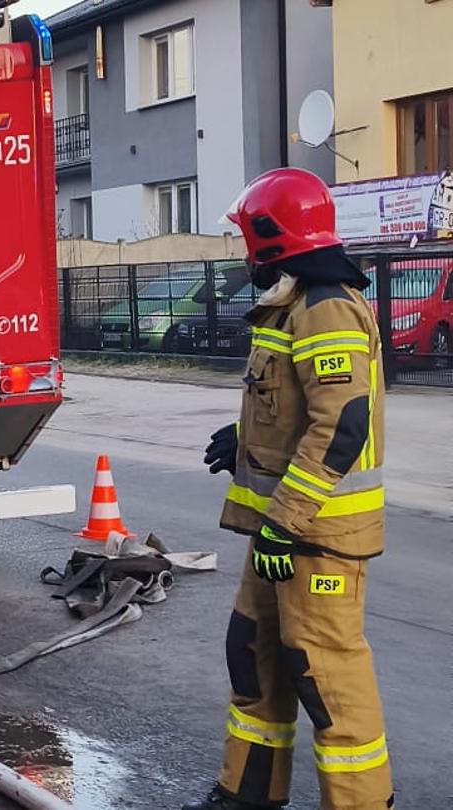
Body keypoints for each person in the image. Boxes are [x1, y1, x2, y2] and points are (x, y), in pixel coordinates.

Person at [186, 168, 390, 810]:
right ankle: (247, 794)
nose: (243, 249)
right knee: (255, 657)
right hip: (280, 532)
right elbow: (299, 406)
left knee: (324, 674)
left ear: (271, 236)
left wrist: (284, 523)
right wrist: (246, 437)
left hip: (314, 535)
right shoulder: (293, 302)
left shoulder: (326, 305)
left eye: (248, 235)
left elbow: (342, 425)